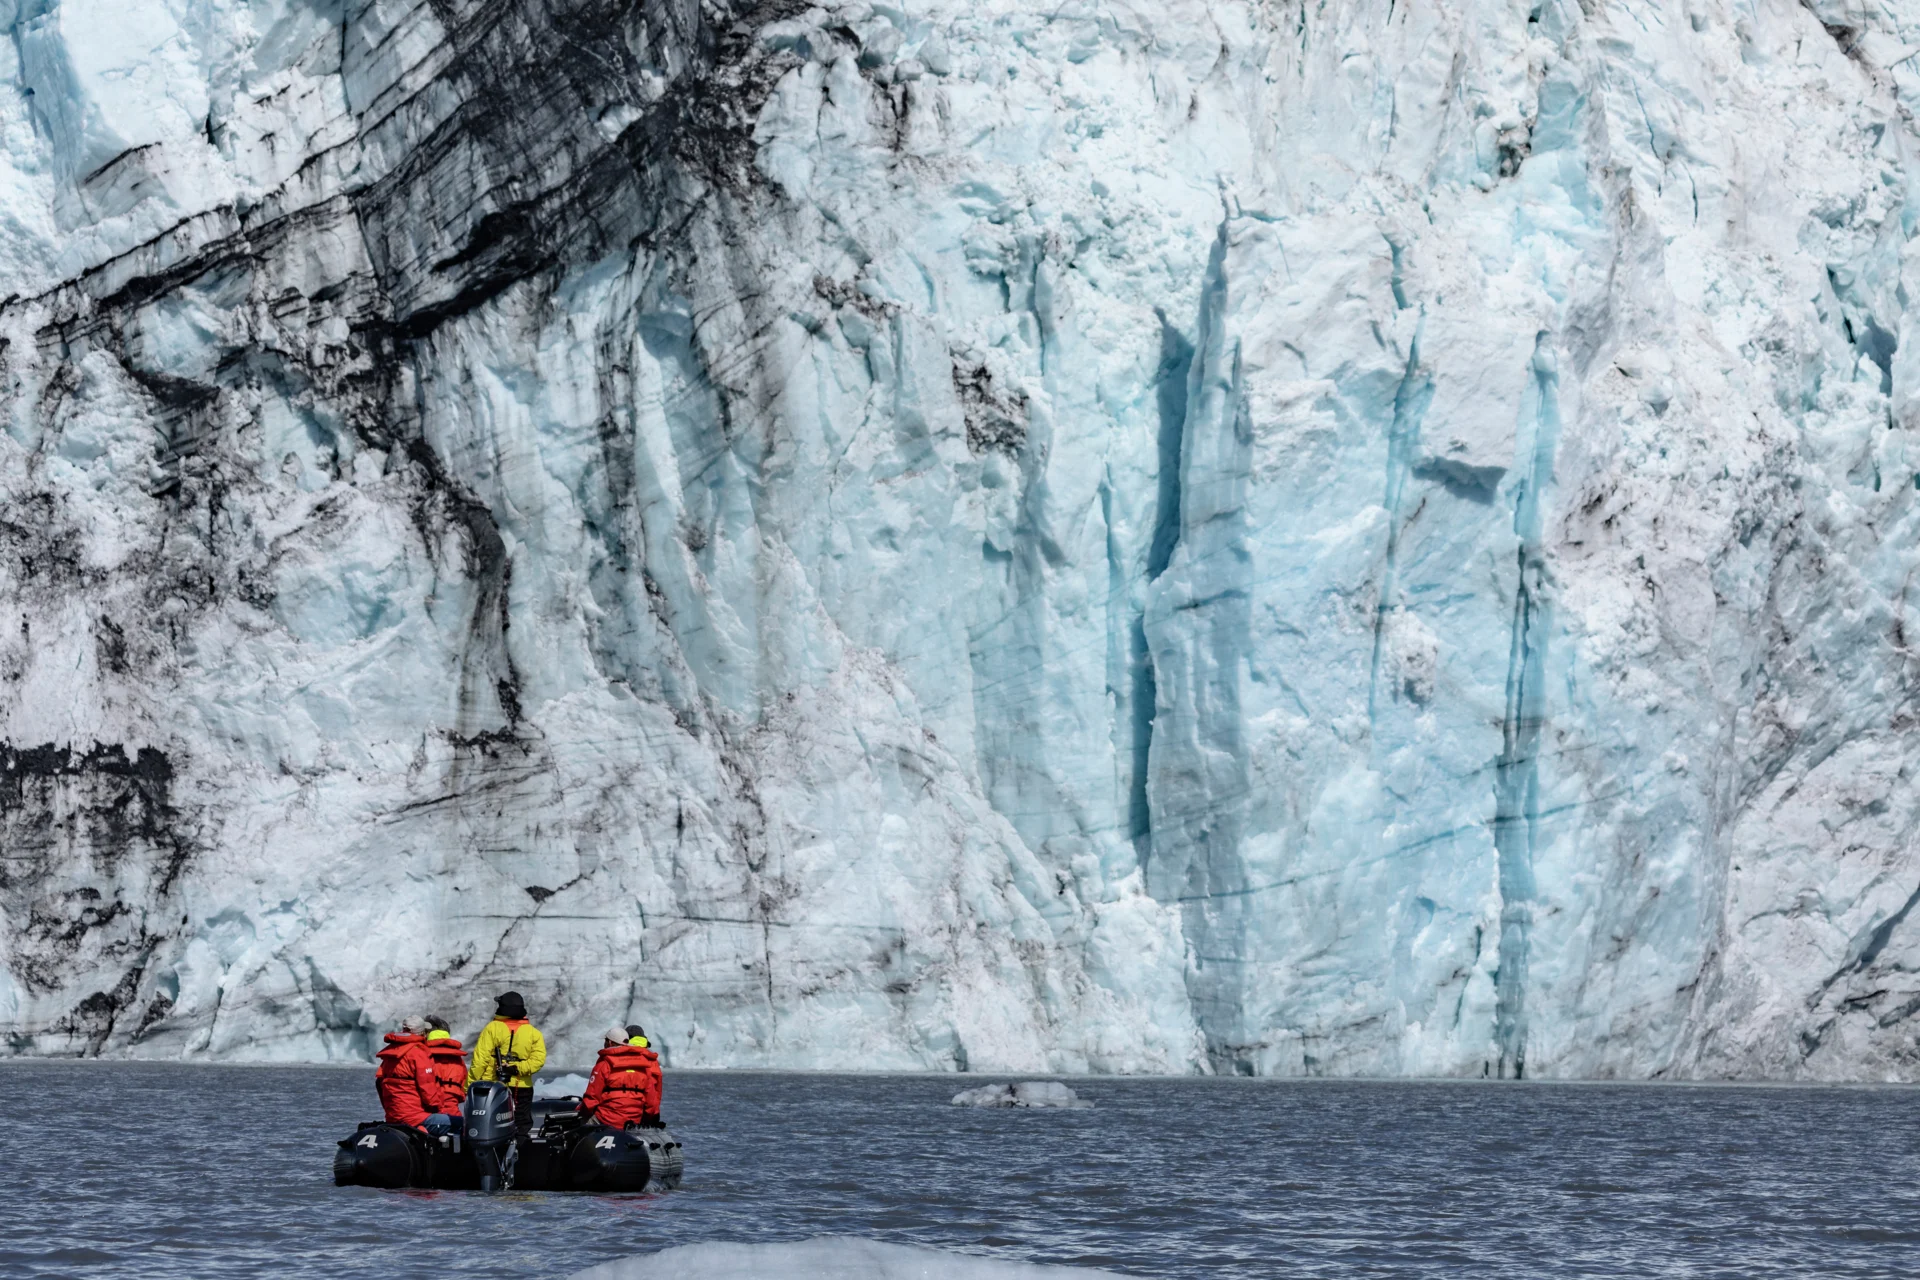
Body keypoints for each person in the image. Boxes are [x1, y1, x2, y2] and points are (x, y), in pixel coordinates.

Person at [471, 991, 546, 1138]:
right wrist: (517, 1069)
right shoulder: (533, 1032)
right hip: (522, 1086)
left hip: (493, 1085)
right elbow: (538, 1060)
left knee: (491, 1124)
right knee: (522, 1124)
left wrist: (470, 1086)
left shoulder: (492, 1028)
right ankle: (520, 1155)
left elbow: (480, 1060)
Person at [580, 1024, 663, 1129]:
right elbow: (653, 1094)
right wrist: (652, 1116)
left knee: (579, 1127)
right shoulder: (645, 1063)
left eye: (606, 1040)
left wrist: (582, 1113)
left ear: (610, 1042)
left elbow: (592, 1096)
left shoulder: (605, 1063)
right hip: (635, 1118)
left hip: (607, 1118)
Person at [374, 1015, 436, 1131]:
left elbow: (379, 1084)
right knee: (458, 1124)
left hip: (393, 1117)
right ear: (422, 1033)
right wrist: (438, 1109)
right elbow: (428, 1090)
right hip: (414, 1117)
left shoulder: (391, 1053)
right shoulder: (418, 1053)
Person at [420, 1015, 468, 1135]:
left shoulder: (421, 1056)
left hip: (428, 1119)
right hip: (454, 1118)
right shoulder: (458, 1059)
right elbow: (463, 1089)